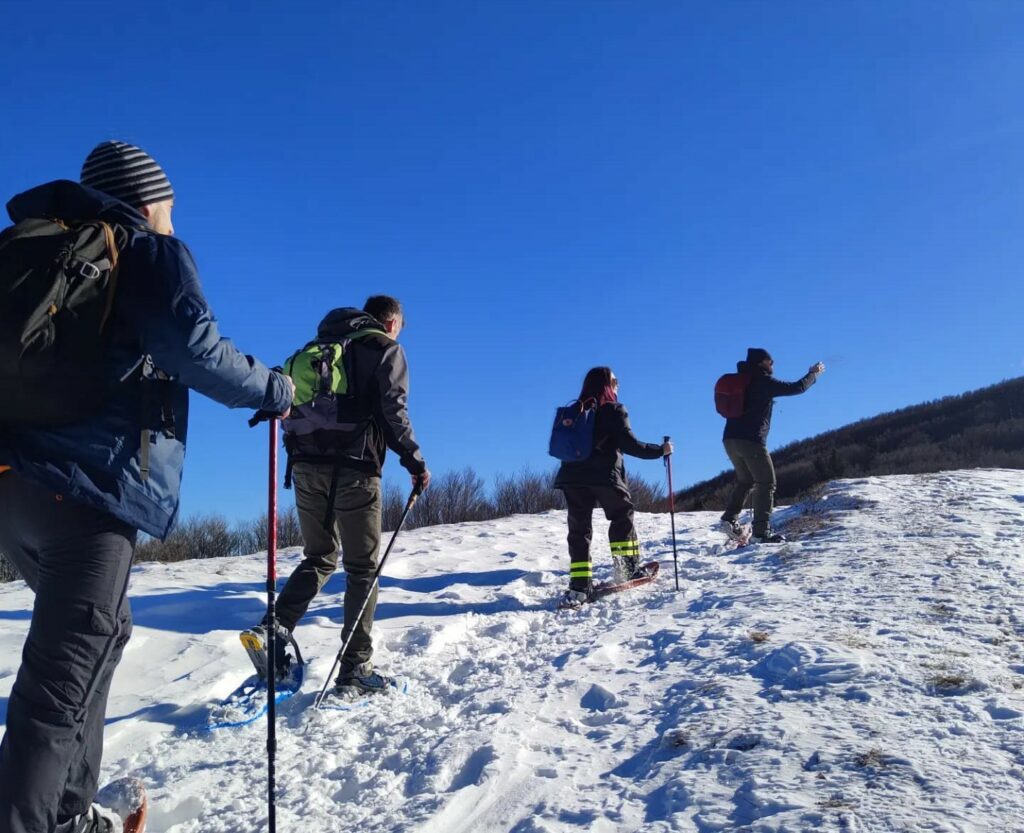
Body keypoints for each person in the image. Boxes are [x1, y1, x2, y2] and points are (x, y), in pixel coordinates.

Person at [0, 141, 293, 833]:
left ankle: (67, 812)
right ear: (145, 199)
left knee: (102, 635)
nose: (169, 215)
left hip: (15, 492)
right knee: (61, 680)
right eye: (166, 204)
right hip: (86, 497)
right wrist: (272, 387)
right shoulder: (141, 249)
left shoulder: (37, 250)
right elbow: (195, 347)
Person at [241, 295, 429, 696]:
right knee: (362, 568)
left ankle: (272, 629)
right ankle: (355, 668)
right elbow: (393, 411)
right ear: (391, 322)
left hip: (306, 467)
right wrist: (415, 462)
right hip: (356, 469)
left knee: (320, 556)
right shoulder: (384, 349)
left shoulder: (317, 349)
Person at [553, 367, 672, 607]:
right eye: (615, 381)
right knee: (621, 517)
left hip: (572, 477)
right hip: (605, 477)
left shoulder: (574, 411)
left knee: (579, 530)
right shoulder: (614, 410)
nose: (618, 386)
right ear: (607, 384)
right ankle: (627, 570)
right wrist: (661, 450)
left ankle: (579, 586)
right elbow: (631, 445)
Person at [718, 348, 825, 544]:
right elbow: (797, 388)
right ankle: (761, 533)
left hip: (730, 440)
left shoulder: (742, 380)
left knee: (746, 480)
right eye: (770, 361)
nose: (773, 364)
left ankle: (729, 518)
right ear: (761, 362)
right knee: (766, 483)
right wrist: (813, 374)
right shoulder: (762, 381)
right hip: (751, 441)